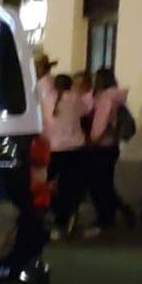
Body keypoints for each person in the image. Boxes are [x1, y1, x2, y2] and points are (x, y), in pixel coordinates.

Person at [44, 73, 93, 239]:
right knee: (68, 186)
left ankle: (46, 212)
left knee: (45, 182)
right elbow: (87, 110)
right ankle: (62, 220)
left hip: (53, 148)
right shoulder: (75, 99)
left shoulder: (47, 99)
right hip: (75, 148)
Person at [88, 68, 135, 230]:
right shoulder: (116, 97)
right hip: (112, 145)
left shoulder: (106, 98)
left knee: (98, 183)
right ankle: (116, 212)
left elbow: (102, 121)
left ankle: (107, 215)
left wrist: (94, 138)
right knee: (104, 182)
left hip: (102, 145)